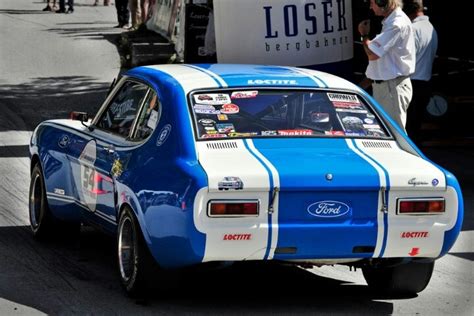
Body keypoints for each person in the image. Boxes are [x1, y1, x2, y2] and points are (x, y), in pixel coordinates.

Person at [358, 0, 416, 132]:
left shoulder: (396, 24)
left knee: (396, 135)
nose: (370, 6)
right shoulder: (392, 22)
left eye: (372, 2)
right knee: (386, 133)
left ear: (383, 2)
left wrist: (364, 34)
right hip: (387, 87)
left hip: (391, 88)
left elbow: (372, 54)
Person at [403, 0, 438, 144]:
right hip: (425, 84)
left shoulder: (412, 29)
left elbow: (404, 61)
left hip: (411, 84)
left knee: (406, 132)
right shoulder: (431, 28)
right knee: (414, 131)